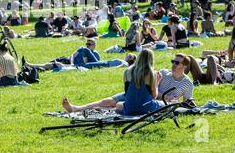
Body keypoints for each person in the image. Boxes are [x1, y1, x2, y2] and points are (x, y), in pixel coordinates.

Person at [62, 52, 194, 113]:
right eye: (173, 61)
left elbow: (188, 102)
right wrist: (165, 97)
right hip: (144, 94)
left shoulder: (187, 84)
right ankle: (78, 108)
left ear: (184, 66)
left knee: (118, 104)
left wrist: (176, 102)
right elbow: (153, 92)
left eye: (177, 63)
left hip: (142, 95)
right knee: (108, 100)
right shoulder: (164, 73)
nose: (173, 64)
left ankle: (91, 109)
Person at [116, 49, 162, 115]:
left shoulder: (127, 71)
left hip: (130, 109)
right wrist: (158, 81)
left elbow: (127, 92)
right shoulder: (151, 73)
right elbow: (154, 96)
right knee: (164, 104)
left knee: (118, 105)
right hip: (146, 108)